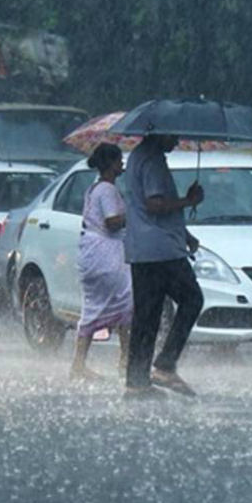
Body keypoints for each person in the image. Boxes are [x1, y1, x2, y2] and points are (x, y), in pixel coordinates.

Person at [122, 134, 204, 398]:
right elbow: (154, 204)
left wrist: (185, 234)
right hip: (162, 249)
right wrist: (188, 201)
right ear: (159, 131)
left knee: (146, 317)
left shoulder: (137, 156)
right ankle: (165, 365)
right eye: (173, 135)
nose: (177, 140)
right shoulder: (153, 160)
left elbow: (144, 207)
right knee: (192, 299)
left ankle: (136, 382)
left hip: (142, 249)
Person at [71, 143, 132, 380]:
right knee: (128, 303)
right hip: (105, 255)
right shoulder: (107, 190)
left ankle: (79, 364)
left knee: (95, 307)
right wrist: (134, 213)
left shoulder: (94, 188)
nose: (122, 164)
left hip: (93, 254)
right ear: (110, 164)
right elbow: (112, 222)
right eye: (119, 160)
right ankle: (125, 360)